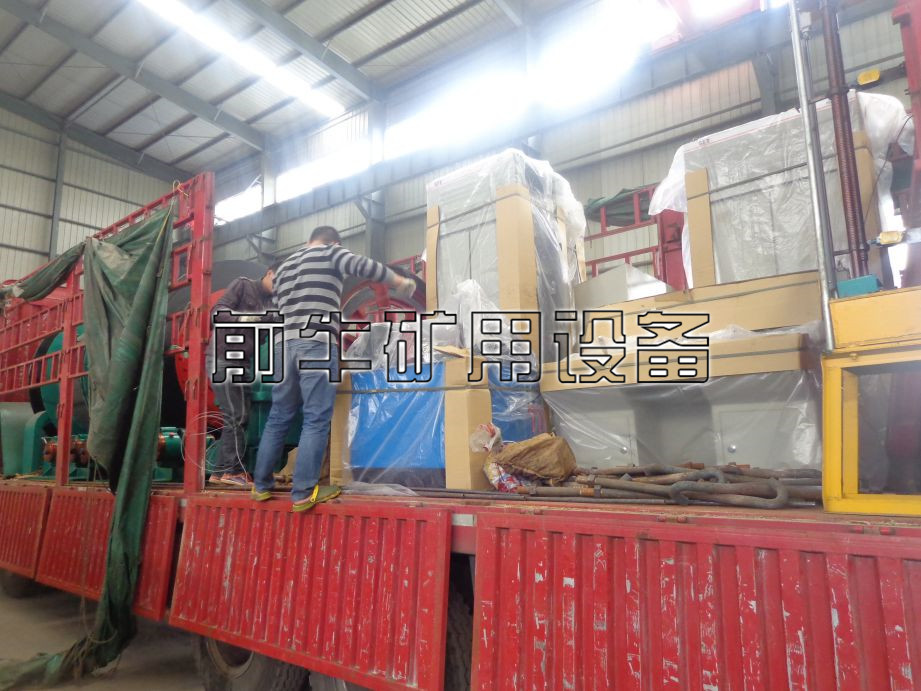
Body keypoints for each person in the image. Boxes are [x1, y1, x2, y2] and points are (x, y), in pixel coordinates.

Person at [251, 226, 416, 511]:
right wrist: (399, 281)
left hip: (282, 345)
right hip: (315, 343)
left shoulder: (286, 266)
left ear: (309, 240)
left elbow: (277, 305)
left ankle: (261, 485)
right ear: (334, 243)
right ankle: (303, 493)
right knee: (316, 418)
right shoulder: (330, 253)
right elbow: (365, 266)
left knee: (279, 416)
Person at [206, 263, 278, 487]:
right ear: (270, 273)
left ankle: (220, 472)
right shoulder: (243, 285)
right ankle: (232, 471)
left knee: (240, 416)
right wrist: (248, 319)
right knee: (236, 415)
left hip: (242, 363)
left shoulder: (271, 305)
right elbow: (217, 314)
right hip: (223, 358)